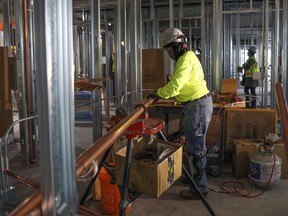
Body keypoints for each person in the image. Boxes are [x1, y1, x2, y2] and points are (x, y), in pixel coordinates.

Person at [147, 27, 213, 200]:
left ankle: (199, 189)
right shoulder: (188, 58)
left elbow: (175, 86)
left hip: (197, 106)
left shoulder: (184, 60)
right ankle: (194, 179)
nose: (168, 53)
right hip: (194, 105)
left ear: (176, 46)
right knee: (192, 146)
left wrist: (157, 93)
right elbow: (180, 85)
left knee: (195, 149)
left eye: (169, 49)